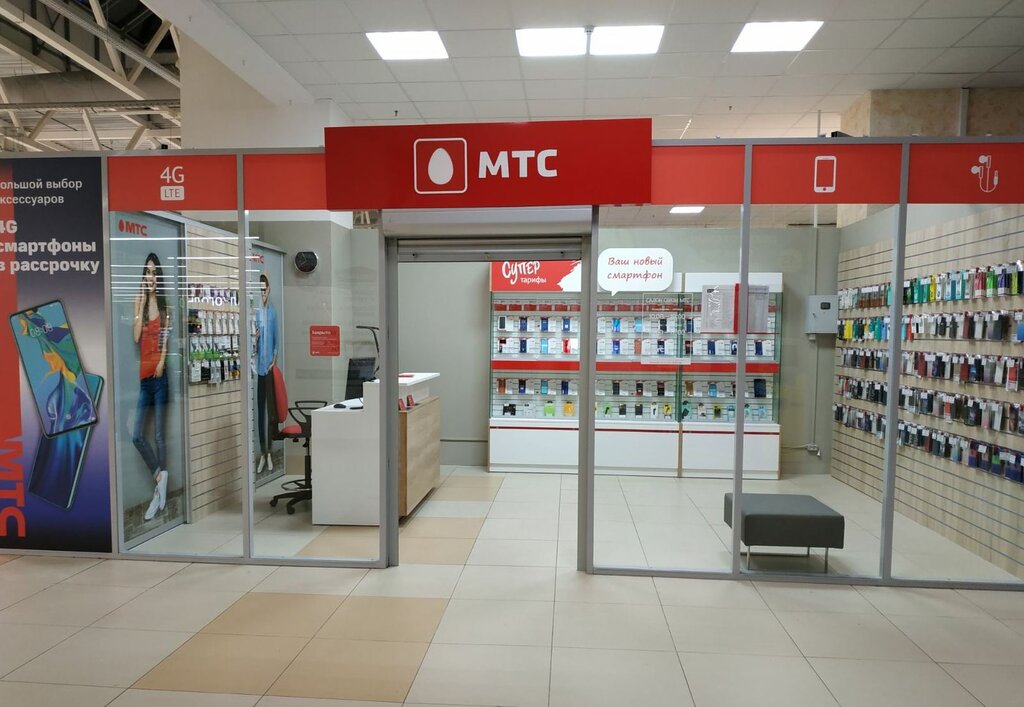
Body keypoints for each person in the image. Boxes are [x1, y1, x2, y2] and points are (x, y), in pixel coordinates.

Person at [133, 253, 170, 521]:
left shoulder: (165, 306)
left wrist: (162, 362)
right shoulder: (140, 301)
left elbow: (166, 341)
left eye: (155, 273)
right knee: (136, 435)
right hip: (144, 380)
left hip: (160, 378)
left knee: (158, 436)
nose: (151, 277)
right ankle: (160, 477)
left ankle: (158, 496)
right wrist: (143, 302)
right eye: (147, 272)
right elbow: (136, 336)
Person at [255, 272, 278, 474]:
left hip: (269, 369)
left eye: (265, 290)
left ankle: (270, 452)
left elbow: (276, 341)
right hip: (259, 370)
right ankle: (262, 452)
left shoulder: (272, 314)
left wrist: (274, 360)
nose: (263, 293)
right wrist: (254, 338)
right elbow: (252, 343)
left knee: (271, 412)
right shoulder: (255, 314)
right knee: (260, 412)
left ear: (268, 290)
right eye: (260, 290)